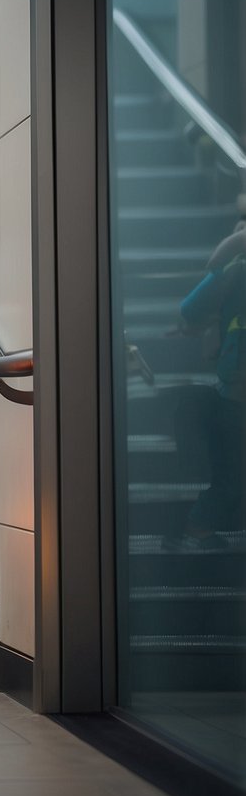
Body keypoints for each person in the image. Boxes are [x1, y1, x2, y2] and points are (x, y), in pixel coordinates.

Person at [171, 222, 245, 550]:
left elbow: (192, 309)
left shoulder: (235, 269)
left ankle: (200, 524)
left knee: (232, 475)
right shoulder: (237, 270)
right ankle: (198, 525)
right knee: (232, 476)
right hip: (236, 397)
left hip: (235, 392)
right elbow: (191, 309)